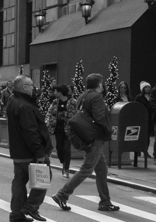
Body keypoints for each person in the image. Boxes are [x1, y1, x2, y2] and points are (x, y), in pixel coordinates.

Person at [51, 72, 118, 213]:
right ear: (99, 84)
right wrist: (109, 130)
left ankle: (105, 201)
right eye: (102, 83)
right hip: (96, 137)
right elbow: (100, 118)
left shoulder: (82, 96)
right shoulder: (97, 97)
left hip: (86, 136)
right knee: (86, 169)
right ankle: (62, 194)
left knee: (101, 170)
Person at [5, 75, 51, 222]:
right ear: (24, 87)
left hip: (18, 152)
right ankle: (30, 207)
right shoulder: (24, 106)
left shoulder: (13, 102)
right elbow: (30, 131)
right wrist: (39, 152)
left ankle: (16, 212)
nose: (34, 88)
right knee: (44, 178)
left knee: (19, 180)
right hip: (30, 152)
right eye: (31, 85)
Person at [51, 85, 72, 178]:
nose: (54, 93)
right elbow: (50, 113)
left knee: (67, 149)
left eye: (56, 91)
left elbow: (76, 113)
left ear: (61, 92)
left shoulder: (72, 102)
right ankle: (63, 162)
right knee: (59, 148)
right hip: (58, 129)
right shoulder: (55, 102)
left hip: (68, 129)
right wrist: (49, 122)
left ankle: (66, 169)